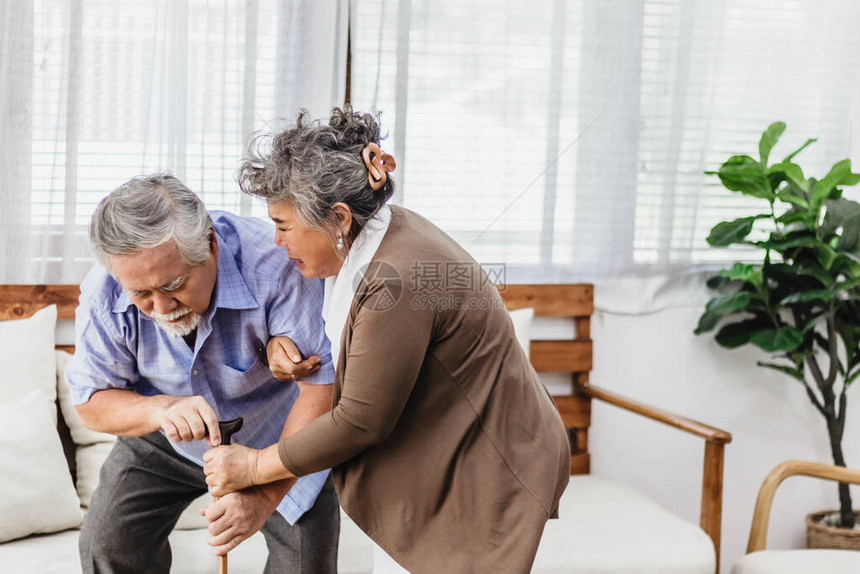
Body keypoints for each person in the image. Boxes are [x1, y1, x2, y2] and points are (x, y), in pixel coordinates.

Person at [203, 107, 570, 573]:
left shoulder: (396, 276)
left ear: (337, 217)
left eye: (284, 225)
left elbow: (361, 421)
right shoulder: (372, 237)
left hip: (490, 470)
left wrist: (255, 467)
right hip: (444, 461)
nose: (276, 242)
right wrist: (278, 342)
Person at [64, 173, 340, 574]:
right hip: (166, 441)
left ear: (211, 244)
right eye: (141, 294)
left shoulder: (278, 264)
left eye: (174, 284)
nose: (161, 308)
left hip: (280, 437)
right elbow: (89, 403)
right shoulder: (104, 293)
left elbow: (322, 392)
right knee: (106, 544)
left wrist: (263, 496)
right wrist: (160, 410)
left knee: (305, 566)